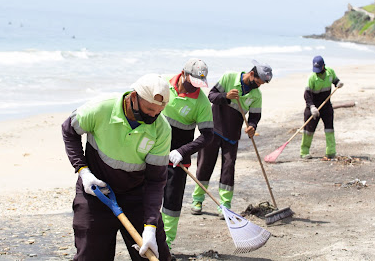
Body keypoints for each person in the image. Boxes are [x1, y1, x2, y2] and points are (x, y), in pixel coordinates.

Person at [61, 74, 172, 261]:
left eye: (158, 111)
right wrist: (83, 171)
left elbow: (155, 181)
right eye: (149, 109)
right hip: (96, 192)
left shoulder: (161, 130)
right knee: (90, 256)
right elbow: (68, 130)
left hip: (136, 195)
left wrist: (150, 227)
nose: (153, 115)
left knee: (155, 254)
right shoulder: (101, 108)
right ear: (134, 97)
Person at [190, 60, 273, 218]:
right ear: (251, 74)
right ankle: (197, 200)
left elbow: (255, 116)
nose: (259, 86)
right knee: (204, 165)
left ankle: (225, 205)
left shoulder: (256, 95)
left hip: (232, 135)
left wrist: (252, 127)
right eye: (258, 82)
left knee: (228, 169)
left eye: (262, 84)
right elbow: (211, 96)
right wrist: (226, 96)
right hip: (213, 130)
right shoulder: (229, 78)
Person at [161, 58, 214, 249]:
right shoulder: (163, 83)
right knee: (145, 195)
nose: (195, 88)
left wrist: (182, 152)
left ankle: (165, 242)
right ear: (183, 74)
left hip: (177, 160)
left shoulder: (202, 103)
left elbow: (207, 135)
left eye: (199, 84)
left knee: (171, 201)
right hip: (151, 153)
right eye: (192, 83)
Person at [300, 55, 343, 160]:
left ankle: (331, 152)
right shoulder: (312, 77)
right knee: (308, 130)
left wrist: (338, 83)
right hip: (313, 107)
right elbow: (307, 95)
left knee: (329, 129)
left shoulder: (330, 72)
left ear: (324, 66)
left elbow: (335, 81)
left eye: (319, 69)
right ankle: (304, 152)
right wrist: (312, 107)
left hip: (326, 105)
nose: (318, 71)